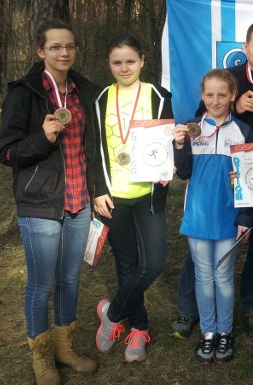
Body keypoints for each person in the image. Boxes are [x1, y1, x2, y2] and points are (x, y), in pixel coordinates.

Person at [172, 20, 253, 334]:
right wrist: (239, 109)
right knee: (204, 247)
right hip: (226, 181)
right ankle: (189, 309)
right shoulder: (229, 82)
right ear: (245, 48)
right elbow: (200, 124)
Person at [0, 19, 99, 385]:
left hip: (78, 201)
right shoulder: (24, 93)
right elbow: (6, 153)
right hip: (40, 203)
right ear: (41, 51)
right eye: (55, 47)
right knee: (41, 284)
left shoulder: (85, 89)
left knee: (70, 279)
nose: (64, 52)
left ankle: (65, 348)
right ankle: (42, 359)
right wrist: (41, 137)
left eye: (69, 46)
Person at [93, 34, 173, 363]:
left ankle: (112, 312)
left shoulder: (158, 95)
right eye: (117, 62)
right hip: (113, 197)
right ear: (109, 65)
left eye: (130, 60)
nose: (124, 67)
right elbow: (93, 147)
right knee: (126, 266)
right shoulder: (100, 99)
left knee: (153, 263)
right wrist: (98, 189)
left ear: (142, 60)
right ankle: (138, 328)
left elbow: (166, 141)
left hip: (148, 196)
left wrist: (167, 167)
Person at [173, 68, 253, 365]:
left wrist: (245, 217)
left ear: (233, 95)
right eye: (210, 95)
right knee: (203, 277)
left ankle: (225, 332)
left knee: (223, 277)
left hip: (228, 216)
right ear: (202, 96)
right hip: (197, 214)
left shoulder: (243, 131)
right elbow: (183, 172)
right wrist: (179, 145)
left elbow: (249, 181)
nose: (216, 100)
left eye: (222, 94)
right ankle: (208, 333)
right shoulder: (192, 127)